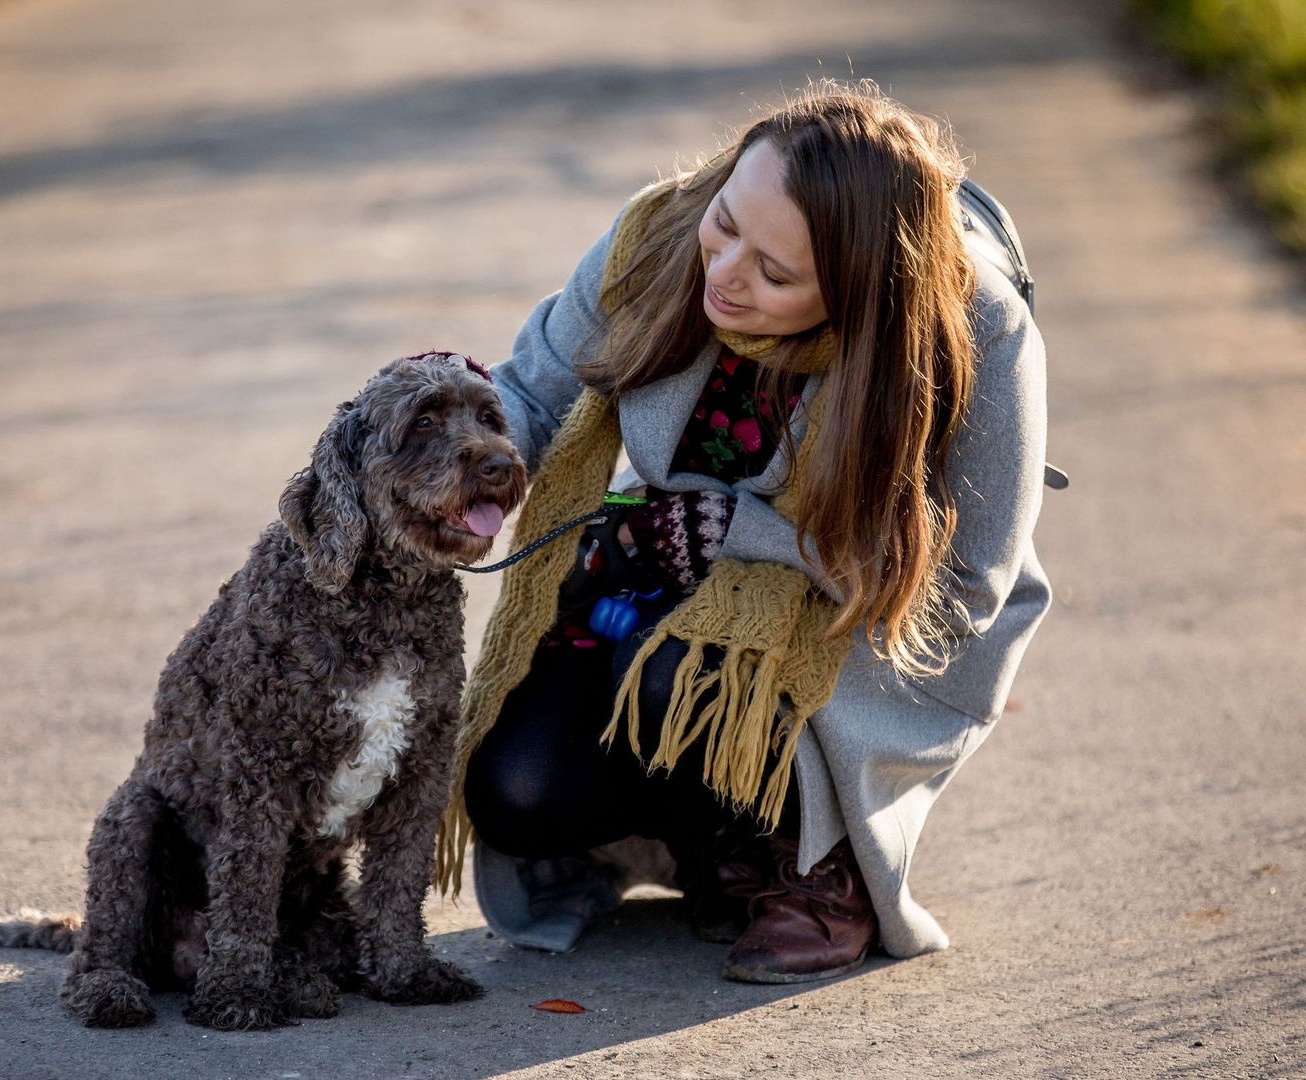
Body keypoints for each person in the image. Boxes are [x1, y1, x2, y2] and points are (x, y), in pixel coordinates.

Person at [435, 81, 1051, 984]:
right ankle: (711, 845)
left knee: (686, 675)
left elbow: (966, 587)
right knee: (515, 792)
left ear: (860, 296)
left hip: (874, 627)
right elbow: (530, 392)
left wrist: (747, 533)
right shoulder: (660, 234)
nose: (724, 273)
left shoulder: (976, 327)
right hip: (672, 568)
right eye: (727, 224)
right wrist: (441, 465)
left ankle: (820, 865)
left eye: (775, 273)